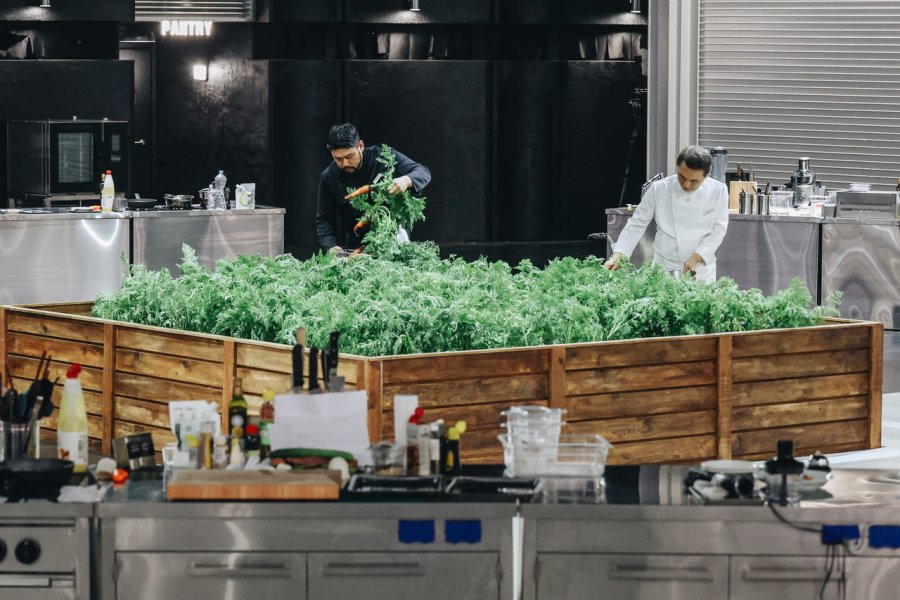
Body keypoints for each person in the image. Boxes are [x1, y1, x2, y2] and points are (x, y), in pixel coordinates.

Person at [604, 145, 729, 283]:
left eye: (694, 181)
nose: (686, 185)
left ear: (706, 175)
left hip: (700, 269)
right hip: (664, 266)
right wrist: (618, 255)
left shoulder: (719, 191)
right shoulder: (659, 189)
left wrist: (696, 257)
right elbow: (636, 224)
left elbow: (719, 230)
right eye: (682, 177)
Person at [315, 123, 431, 253]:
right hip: (357, 249)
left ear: (361, 146)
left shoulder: (383, 158)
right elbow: (324, 220)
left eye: (349, 156)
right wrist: (329, 246)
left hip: (394, 243)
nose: (345, 163)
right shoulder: (329, 177)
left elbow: (423, 172)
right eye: (338, 159)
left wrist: (406, 180)